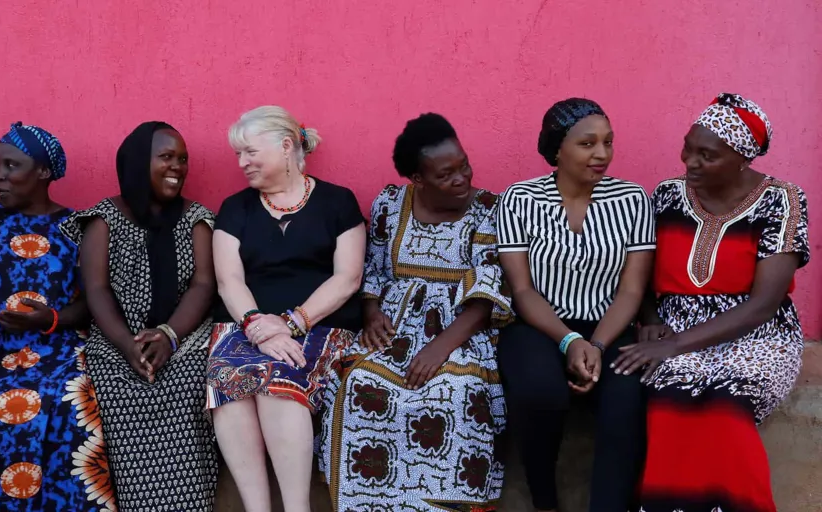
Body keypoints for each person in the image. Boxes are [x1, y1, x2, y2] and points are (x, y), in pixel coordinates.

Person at [617, 93, 810, 512]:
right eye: (689, 146)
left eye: (708, 155)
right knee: (671, 400)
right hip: (676, 327)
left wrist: (672, 347)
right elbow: (641, 276)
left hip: (759, 336)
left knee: (725, 405)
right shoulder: (667, 196)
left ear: (742, 158)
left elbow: (763, 305)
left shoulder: (783, 201)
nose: (690, 161)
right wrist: (651, 320)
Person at [317, 113, 514, 510]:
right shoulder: (391, 203)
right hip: (394, 324)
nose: (462, 178)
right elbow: (372, 269)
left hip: (460, 329)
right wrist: (371, 313)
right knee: (354, 382)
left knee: (456, 391)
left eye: (464, 165)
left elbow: (486, 292)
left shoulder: (488, 208)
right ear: (418, 179)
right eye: (446, 174)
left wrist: (440, 348)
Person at [0, 122, 115, 511]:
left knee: (73, 397)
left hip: (59, 344)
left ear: (43, 172)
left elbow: (90, 301)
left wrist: (49, 320)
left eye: (11, 165)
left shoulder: (76, 228)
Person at [496, 98, 655, 512]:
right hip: (537, 326)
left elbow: (632, 291)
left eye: (608, 142)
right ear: (557, 149)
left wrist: (598, 346)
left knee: (627, 401)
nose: (601, 154)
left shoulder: (632, 199)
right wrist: (569, 341)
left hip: (610, 326)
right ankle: (545, 503)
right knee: (540, 392)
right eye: (587, 144)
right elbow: (523, 289)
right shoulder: (520, 199)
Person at [207, 106, 365, 512]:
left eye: (249, 152)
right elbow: (229, 281)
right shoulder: (235, 208)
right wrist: (258, 325)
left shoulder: (338, 202)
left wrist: (292, 323)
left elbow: (347, 279)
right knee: (229, 379)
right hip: (246, 324)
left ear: (286, 145)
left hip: (320, 324)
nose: (242, 163)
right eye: (237, 155)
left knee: (278, 376)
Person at [60, 122, 219, 510]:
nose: (177, 167)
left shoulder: (196, 218)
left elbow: (202, 285)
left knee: (187, 385)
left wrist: (168, 335)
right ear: (136, 162)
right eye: (166, 157)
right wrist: (127, 345)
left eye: (182, 159)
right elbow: (96, 289)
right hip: (117, 340)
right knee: (116, 392)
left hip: (185, 337)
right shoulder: (103, 219)